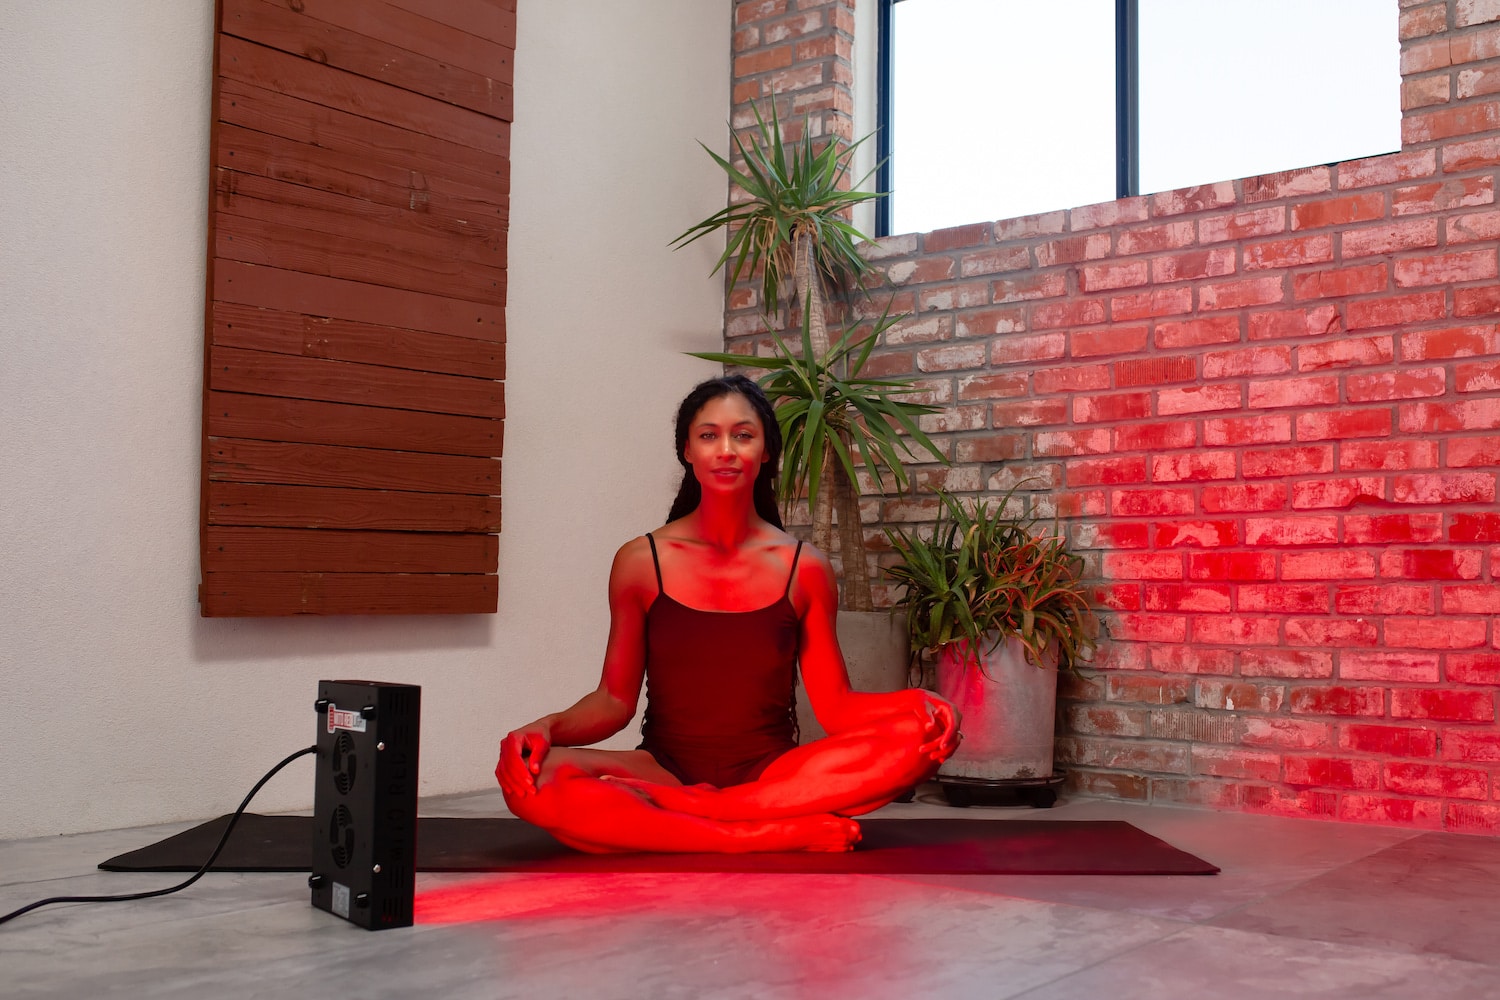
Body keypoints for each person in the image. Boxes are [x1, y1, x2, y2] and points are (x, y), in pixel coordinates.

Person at [496, 375, 960, 853]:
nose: (725, 450)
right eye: (708, 435)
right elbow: (614, 700)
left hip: (772, 773)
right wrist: (545, 728)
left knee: (916, 739)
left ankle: (701, 820)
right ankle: (752, 835)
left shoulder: (805, 568)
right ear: (687, 451)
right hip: (665, 771)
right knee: (535, 777)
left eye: (743, 435)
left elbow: (836, 707)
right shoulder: (640, 561)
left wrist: (916, 703)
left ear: (765, 452)